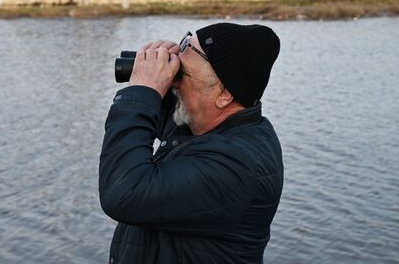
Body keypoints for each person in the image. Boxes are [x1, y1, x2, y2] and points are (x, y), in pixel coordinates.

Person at [99, 23, 283, 264]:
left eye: (183, 75)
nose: (175, 82)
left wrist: (142, 92)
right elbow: (159, 118)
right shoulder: (207, 124)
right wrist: (156, 72)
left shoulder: (235, 166)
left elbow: (122, 193)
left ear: (223, 94)